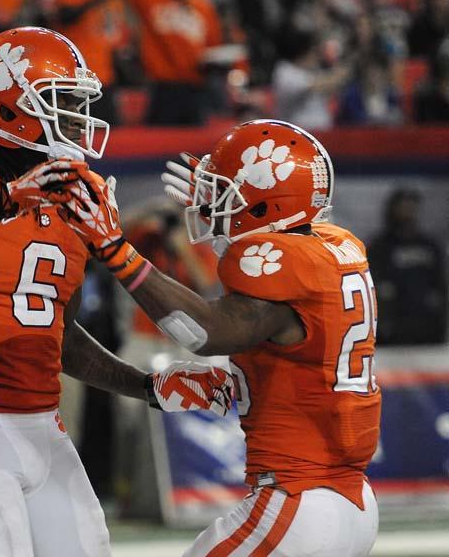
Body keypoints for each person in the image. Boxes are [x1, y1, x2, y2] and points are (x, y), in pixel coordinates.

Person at [0, 26, 233, 557]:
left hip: (42, 422)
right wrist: (4, 203)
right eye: (62, 101)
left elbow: (61, 336)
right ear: (8, 105)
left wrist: (146, 387)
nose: (77, 116)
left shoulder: (80, 188)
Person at [40, 119, 381, 556]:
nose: (213, 207)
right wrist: (241, 384)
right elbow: (303, 356)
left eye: (226, 195)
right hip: (349, 503)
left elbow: (203, 332)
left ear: (267, 202)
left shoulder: (286, 262)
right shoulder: (336, 246)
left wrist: (116, 250)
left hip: (299, 502)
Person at [368, 188, 447, 344]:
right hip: (391, 330)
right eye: (403, 207)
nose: (408, 212)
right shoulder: (380, 247)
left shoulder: (429, 245)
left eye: (412, 208)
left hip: (427, 327)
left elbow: (441, 285)